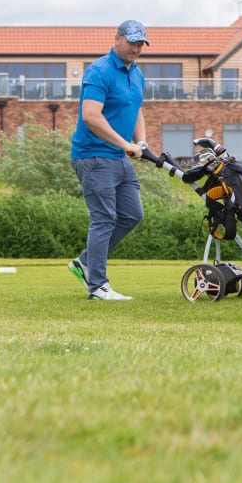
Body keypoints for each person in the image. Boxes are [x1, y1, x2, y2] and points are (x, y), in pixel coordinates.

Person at [68, 20, 149, 301]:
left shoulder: (137, 74)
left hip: (118, 157)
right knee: (104, 219)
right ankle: (98, 286)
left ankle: (86, 261)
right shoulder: (100, 71)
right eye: (132, 42)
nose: (136, 49)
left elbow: (136, 108)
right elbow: (91, 116)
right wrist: (125, 144)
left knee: (132, 214)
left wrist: (141, 142)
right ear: (117, 39)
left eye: (140, 44)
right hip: (93, 156)